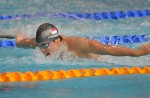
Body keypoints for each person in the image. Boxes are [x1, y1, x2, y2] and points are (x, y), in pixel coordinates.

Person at [16, 23, 150, 59]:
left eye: (45, 45)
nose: (42, 49)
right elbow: (21, 42)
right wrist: (19, 38)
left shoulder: (77, 44)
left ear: (57, 40)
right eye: (39, 46)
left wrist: (137, 52)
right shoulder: (40, 42)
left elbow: (107, 49)